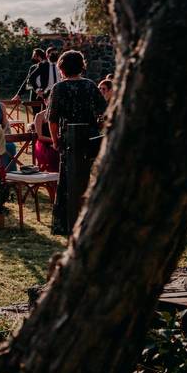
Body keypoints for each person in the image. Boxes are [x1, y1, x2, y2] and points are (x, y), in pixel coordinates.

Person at [47, 50, 108, 235]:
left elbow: (52, 119)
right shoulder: (90, 86)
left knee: (68, 181)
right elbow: (105, 112)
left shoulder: (58, 88)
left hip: (69, 138)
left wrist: (55, 140)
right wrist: (99, 127)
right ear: (82, 66)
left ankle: (67, 223)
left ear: (62, 68)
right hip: (91, 138)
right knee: (90, 180)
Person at [31, 97, 59, 172]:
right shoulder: (40, 116)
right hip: (44, 144)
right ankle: (53, 179)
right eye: (50, 100)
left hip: (57, 142)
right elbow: (40, 137)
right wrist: (54, 140)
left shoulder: (59, 115)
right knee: (53, 154)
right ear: (45, 101)